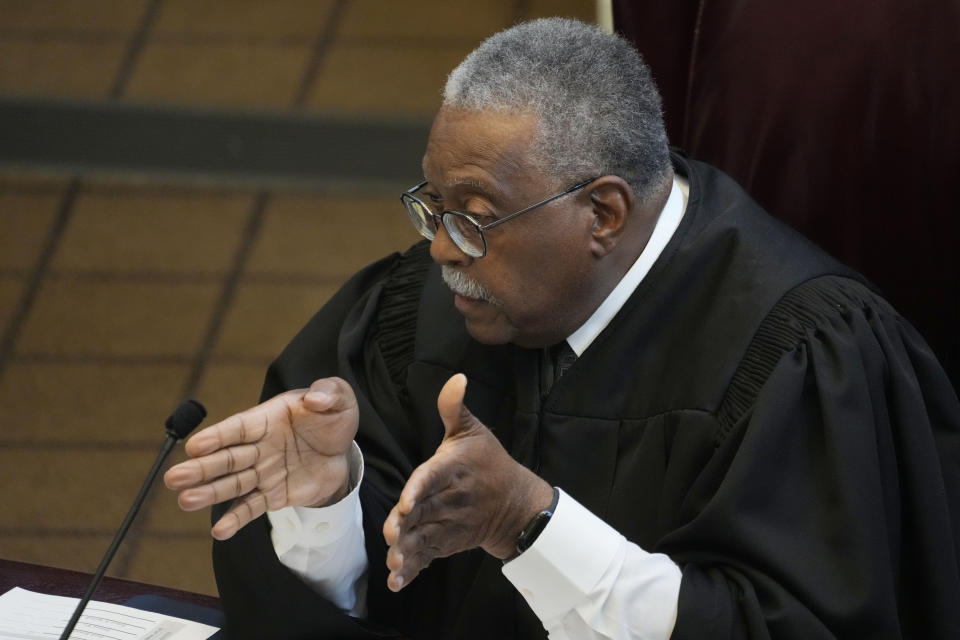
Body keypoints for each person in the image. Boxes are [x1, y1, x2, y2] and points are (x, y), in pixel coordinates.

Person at [164, 17, 960, 640]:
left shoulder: (801, 359)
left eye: (474, 218)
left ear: (603, 213)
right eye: (431, 204)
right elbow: (351, 607)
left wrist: (528, 525)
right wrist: (328, 504)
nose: (440, 247)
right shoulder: (424, 312)